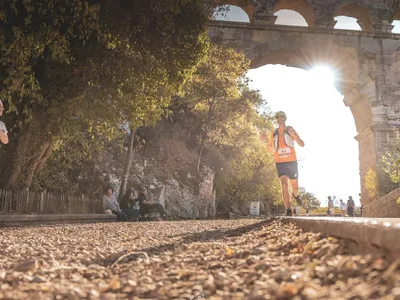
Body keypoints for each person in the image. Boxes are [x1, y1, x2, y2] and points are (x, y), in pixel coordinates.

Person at [267, 111, 305, 216]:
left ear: (285, 118)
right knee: (283, 184)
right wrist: (265, 141)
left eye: (282, 117)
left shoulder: (290, 129)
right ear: (276, 120)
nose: (280, 119)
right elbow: (271, 150)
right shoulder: (273, 133)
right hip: (280, 162)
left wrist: (296, 137)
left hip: (291, 162)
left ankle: (296, 196)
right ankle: (288, 210)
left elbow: (302, 144)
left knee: (295, 189)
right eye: (278, 117)